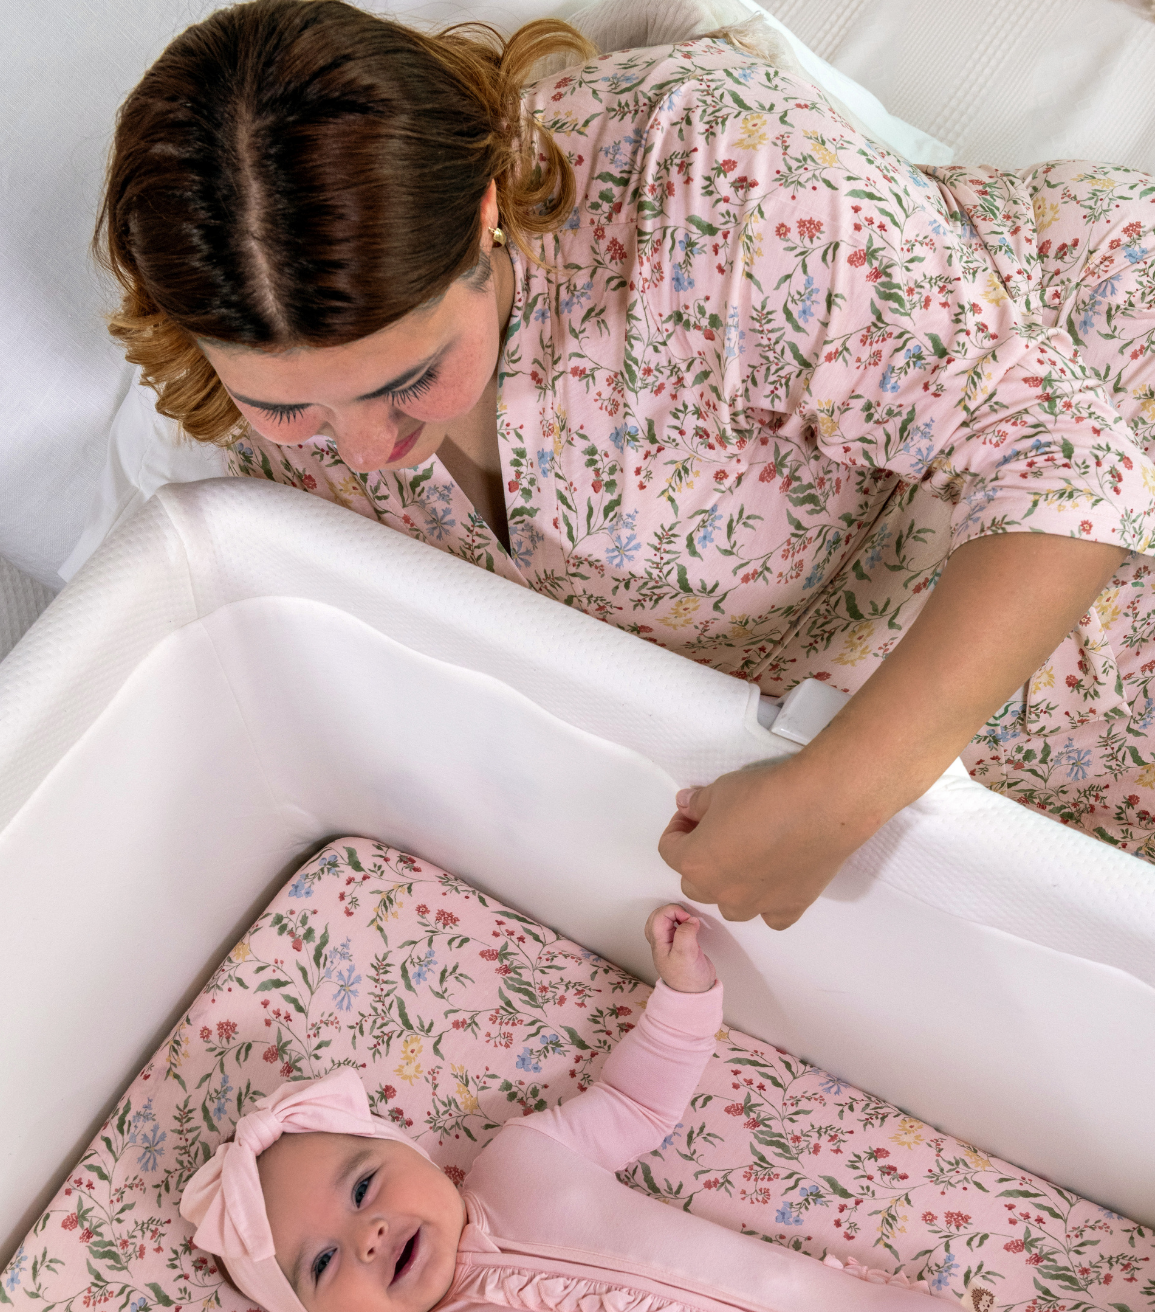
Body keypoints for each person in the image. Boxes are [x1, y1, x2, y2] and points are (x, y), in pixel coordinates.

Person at [96, 0, 1155, 930]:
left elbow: (1065, 464)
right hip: (866, 656)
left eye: (409, 378)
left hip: (1088, 411)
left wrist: (844, 790)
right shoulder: (242, 400)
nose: (368, 449)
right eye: (291, 404)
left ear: (486, 215)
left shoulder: (705, 174)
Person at [179, 903, 1154, 1312]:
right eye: (320, 1263)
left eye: (362, 1186)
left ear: (408, 1149)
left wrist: (683, 1001)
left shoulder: (523, 1158)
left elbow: (637, 1104)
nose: (366, 1235)